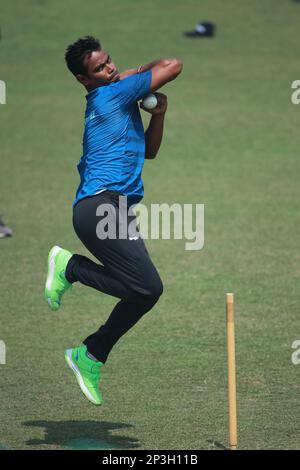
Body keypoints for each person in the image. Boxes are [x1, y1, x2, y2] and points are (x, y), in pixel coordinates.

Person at [44, 36, 183, 405]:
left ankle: (90, 354)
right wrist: (135, 75)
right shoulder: (111, 95)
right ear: (83, 80)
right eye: (99, 68)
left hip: (113, 209)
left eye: (109, 62)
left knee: (144, 291)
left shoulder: (117, 98)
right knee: (146, 289)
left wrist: (159, 115)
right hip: (100, 207)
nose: (109, 68)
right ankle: (69, 267)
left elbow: (149, 152)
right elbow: (172, 64)